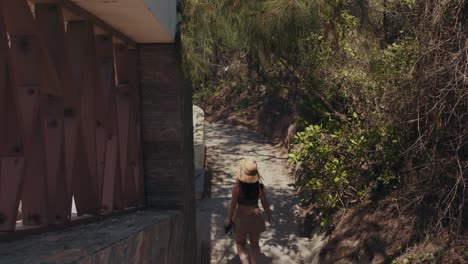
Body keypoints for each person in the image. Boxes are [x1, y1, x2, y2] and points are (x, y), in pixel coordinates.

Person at [225, 159, 273, 264]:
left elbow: (232, 205)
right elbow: (265, 204)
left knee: (240, 244)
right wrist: (269, 216)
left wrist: (229, 218)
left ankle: (245, 261)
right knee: (255, 246)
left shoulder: (236, 188)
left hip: (241, 219)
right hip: (256, 218)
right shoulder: (260, 188)